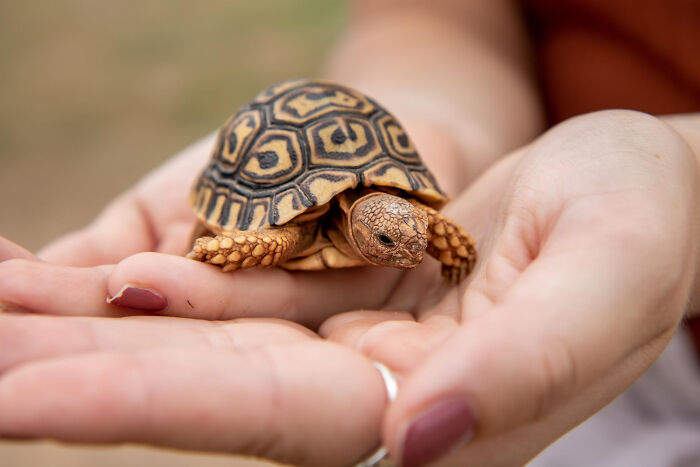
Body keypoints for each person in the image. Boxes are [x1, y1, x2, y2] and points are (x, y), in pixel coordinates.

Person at [0, 1, 698, 466]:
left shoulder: (410, 222)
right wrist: (444, 123)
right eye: (397, 239)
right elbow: (438, 20)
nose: (413, 243)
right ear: (357, 224)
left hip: (585, 293)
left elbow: (425, 225)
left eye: (409, 237)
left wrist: (686, 187)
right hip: (574, 329)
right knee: (265, 244)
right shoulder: (294, 232)